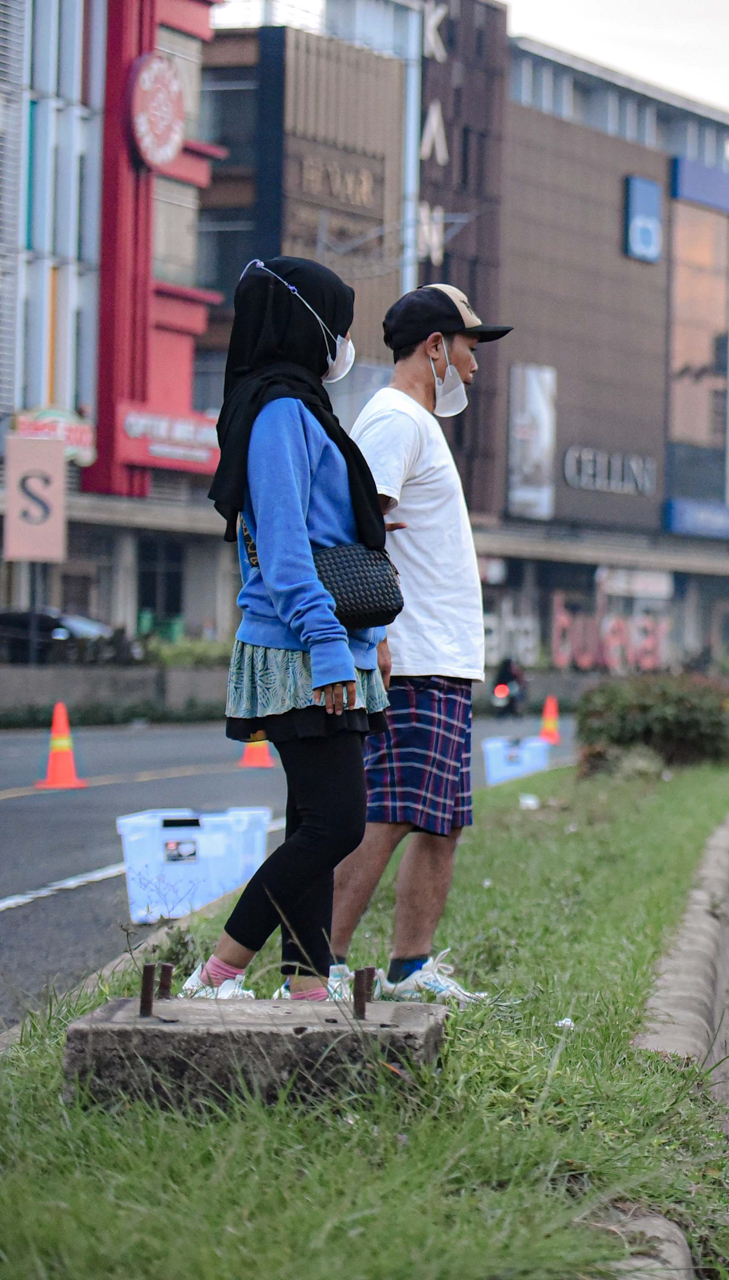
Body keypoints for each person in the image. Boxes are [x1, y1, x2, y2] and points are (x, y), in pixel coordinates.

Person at [180, 256, 390, 1000]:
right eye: (339, 325)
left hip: (324, 644)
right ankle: (218, 972)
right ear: (309, 325)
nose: (345, 342)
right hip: (303, 649)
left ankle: (306, 986)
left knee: (312, 819)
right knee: (336, 826)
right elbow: (283, 547)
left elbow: (316, 528)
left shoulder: (298, 407)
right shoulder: (279, 413)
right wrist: (331, 648)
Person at [327, 285, 510, 1006]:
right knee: (387, 811)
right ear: (435, 346)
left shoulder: (416, 423)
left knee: (441, 821)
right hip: (411, 657)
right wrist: (370, 635)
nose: (474, 364)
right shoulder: (395, 420)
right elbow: (353, 529)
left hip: (443, 658)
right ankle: (319, 967)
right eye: (469, 347)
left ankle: (409, 968)